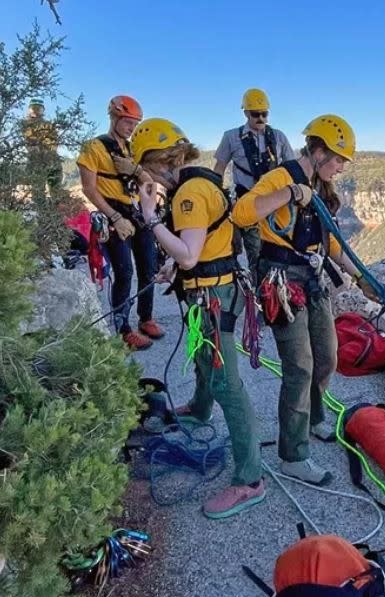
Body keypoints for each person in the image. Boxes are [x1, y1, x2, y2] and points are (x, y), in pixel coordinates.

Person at [132, 117, 265, 519]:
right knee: (205, 358)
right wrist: (175, 266)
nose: (147, 177)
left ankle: (250, 481)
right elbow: (198, 249)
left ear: (159, 162)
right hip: (209, 291)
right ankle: (201, 408)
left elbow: (189, 253)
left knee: (228, 383)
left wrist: (150, 215)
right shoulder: (199, 183)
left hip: (212, 297)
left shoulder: (188, 194)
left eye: (147, 169)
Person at [232, 114, 364, 485]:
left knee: (328, 354)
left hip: (311, 276)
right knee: (299, 366)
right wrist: (290, 193)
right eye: (337, 159)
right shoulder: (282, 177)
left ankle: (316, 418)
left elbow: (330, 240)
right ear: (318, 151)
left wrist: (358, 274)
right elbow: (242, 213)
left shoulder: (321, 187)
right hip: (281, 281)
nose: (339, 168)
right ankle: (293, 453)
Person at [77, 95, 162, 349]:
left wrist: (135, 170)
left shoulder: (131, 149)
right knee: (124, 271)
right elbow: (89, 189)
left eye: (135, 124)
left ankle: (145, 318)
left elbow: (148, 183)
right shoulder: (93, 148)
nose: (131, 128)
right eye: (128, 122)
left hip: (134, 208)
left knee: (149, 267)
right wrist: (114, 217)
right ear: (114, 117)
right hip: (112, 210)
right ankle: (123, 329)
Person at [214, 88, 295, 275]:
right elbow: (219, 168)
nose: (261, 118)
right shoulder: (231, 137)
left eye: (264, 114)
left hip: (275, 202)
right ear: (245, 113)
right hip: (247, 201)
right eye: (255, 114)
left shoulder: (278, 137)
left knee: (279, 249)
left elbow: (292, 168)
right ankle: (258, 291)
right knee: (255, 251)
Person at [21, 98, 62, 197]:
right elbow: (29, 142)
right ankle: (41, 210)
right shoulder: (25, 124)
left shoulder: (49, 124)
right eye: (34, 108)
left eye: (38, 108)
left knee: (56, 190)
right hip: (36, 161)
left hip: (52, 160)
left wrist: (50, 153)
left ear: (42, 110)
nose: (36, 110)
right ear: (29, 109)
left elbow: (55, 141)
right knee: (38, 191)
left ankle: (56, 208)